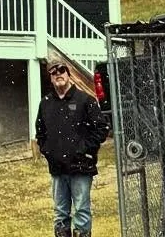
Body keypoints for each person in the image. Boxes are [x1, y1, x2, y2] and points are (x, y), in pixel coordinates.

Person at [35, 59, 110, 237]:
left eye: (62, 70)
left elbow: (102, 128)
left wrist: (84, 150)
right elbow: (40, 133)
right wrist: (49, 152)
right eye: (54, 72)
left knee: (82, 211)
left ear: (69, 74)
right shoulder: (45, 104)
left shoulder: (86, 101)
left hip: (81, 168)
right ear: (51, 78)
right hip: (58, 169)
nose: (58, 74)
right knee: (60, 213)